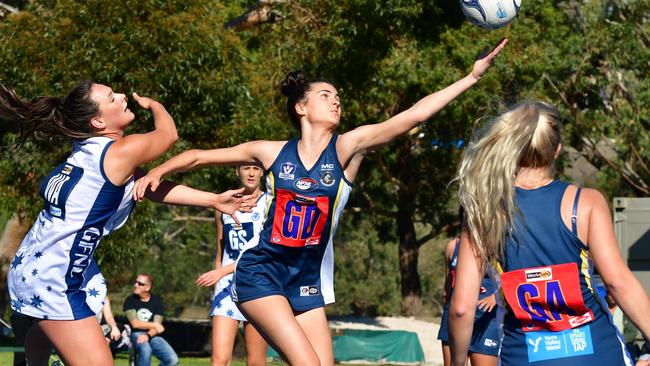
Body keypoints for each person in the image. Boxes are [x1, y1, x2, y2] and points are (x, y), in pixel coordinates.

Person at [134, 39, 507, 366]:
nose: (336, 100)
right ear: (301, 108)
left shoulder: (344, 148)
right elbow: (198, 156)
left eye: (337, 96)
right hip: (262, 272)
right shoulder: (271, 152)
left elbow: (412, 116)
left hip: (305, 279)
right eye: (325, 95)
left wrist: (471, 77)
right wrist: (158, 170)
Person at [1, 81, 255, 366]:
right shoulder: (119, 152)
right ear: (97, 121)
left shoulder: (89, 151)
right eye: (112, 98)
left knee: (44, 334)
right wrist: (154, 104)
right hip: (53, 277)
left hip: (36, 266)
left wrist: (213, 200)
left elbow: (149, 186)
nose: (122, 96)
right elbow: (168, 134)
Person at [449, 101, 650, 366]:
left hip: (522, 355)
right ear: (557, 150)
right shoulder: (586, 202)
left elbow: (462, 309)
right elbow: (618, 283)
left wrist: (457, 361)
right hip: (597, 353)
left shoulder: (484, 212)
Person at [195, 164, 269, 366]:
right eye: (246, 168)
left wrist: (220, 272)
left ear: (262, 172)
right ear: (237, 171)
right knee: (219, 359)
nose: (251, 173)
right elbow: (221, 249)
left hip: (257, 284)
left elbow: (261, 252)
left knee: (255, 361)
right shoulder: (223, 205)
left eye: (256, 168)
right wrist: (219, 275)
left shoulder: (269, 203)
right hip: (226, 287)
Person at [438, 237, 498, 366]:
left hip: (485, 318)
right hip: (455, 316)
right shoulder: (453, 246)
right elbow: (448, 284)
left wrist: (496, 296)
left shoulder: (496, 243)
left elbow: (514, 276)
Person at [124, 273, 178, 366]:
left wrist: (148, 336)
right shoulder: (130, 300)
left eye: (140, 283)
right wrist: (156, 325)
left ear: (147, 287)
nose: (135, 285)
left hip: (152, 335)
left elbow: (156, 328)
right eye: (136, 282)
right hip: (135, 333)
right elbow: (135, 324)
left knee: (172, 360)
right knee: (146, 349)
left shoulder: (157, 301)